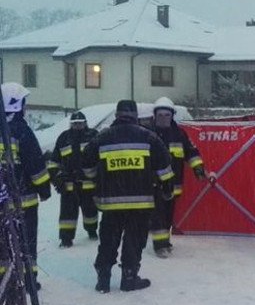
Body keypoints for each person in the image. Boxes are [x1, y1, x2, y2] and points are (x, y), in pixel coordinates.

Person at [82, 100, 174, 293]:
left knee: (108, 240)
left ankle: (103, 279)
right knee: (134, 240)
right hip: (140, 202)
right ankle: (129, 278)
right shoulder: (149, 137)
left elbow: (86, 164)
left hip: (111, 203)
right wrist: (167, 188)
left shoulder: (102, 137)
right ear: (135, 116)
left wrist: (97, 179)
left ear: (117, 115)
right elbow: (164, 166)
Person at [1, 82, 51, 289]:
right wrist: (44, 189)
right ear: (16, 104)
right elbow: (35, 166)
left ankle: (5, 280)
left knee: (3, 244)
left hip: (2, 203)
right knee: (25, 242)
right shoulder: (22, 131)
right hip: (23, 203)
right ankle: (28, 282)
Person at [149, 97, 205, 258]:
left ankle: (165, 241)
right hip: (154, 184)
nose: (163, 118)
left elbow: (191, 152)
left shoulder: (180, 134)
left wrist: (198, 168)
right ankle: (159, 246)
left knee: (168, 215)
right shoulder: (148, 134)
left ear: (172, 116)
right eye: (160, 115)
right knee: (158, 215)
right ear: (155, 116)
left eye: (167, 115)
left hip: (174, 184)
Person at [48, 111, 99, 247]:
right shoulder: (64, 138)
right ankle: (66, 239)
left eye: (80, 123)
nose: (77, 126)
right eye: (75, 123)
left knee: (90, 212)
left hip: (89, 184)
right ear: (71, 124)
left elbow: (100, 159)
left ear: (85, 123)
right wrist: (57, 178)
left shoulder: (94, 136)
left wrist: (99, 177)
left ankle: (92, 231)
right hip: (68, 185)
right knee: (67, 215)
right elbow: (54, 162)